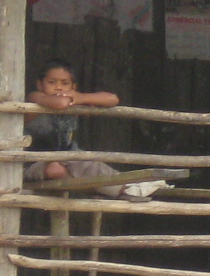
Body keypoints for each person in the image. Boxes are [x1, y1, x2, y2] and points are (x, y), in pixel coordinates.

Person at [25, 60, 138, 195]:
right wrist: (73, 98)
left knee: (95, 166)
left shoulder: (76, 100)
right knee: (55, 170)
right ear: (40, 84)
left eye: (65, 83)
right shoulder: (35, 97)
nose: (58, 87)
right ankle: (108, 191)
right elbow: (60, 103)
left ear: (73, 87)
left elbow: (112, 99)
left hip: (70, 156)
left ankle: (129, 188)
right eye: (52, 82)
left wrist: (81, 97)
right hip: (34, 162)